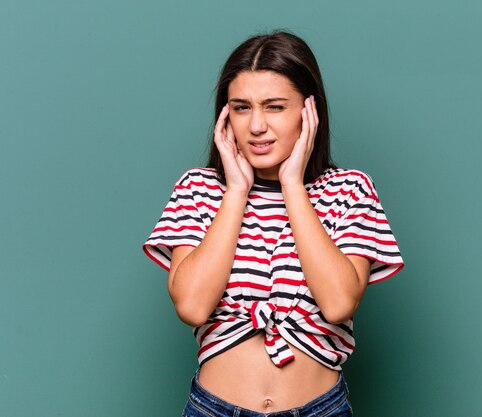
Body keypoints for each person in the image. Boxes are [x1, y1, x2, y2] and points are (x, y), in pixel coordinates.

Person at [143, 30, 404, 417]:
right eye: (241, 107)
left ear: (309, 110)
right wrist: (235, 191)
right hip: (214, 409)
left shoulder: (349, 190)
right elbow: (193, 306)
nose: (257, 126)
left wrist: (293, 185)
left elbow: (338, 303)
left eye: (275, 106)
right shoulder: (198, 189)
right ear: (225, 114)